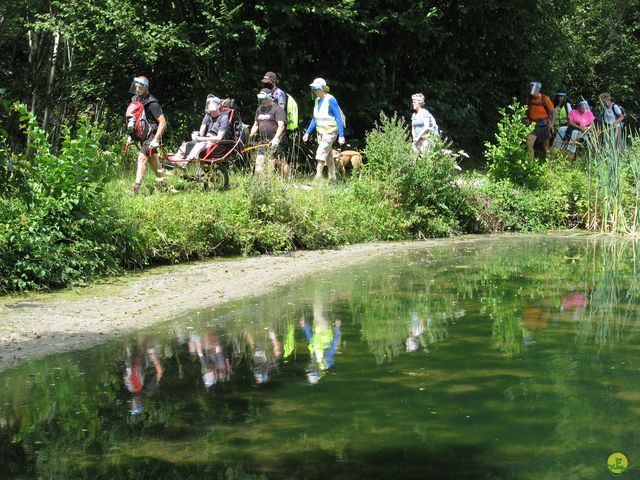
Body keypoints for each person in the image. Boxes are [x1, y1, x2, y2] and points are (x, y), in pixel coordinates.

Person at [127, 76, 167, 194]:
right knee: (153, 161)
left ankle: (135, 188)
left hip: (152, 134)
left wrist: (156, 139)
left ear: (146, 87)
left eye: (140, 86)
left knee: (142, 157)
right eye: (136, 86)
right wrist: (131, 135)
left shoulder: (152, 103)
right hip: (143, 134)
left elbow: (163, 122)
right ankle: (164, 185)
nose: (138, 89)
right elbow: (135, 119)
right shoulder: (135, 99)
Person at [302, 77, 345, 182]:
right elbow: (315, 118)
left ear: (322, 88)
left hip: (330, 132)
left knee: (320, 153)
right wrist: (307, 132)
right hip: (321, 133)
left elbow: (338, 118)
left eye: (316, 89)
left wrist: (341, 135)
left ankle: (317, 178)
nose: (314, 91)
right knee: (328, 156)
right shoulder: (317, 101)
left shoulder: (331, 100)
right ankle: (334, 179)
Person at [171, 95, 229, 162]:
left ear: (218, 106)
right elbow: (201, 132)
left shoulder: (224, 117)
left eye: (212, 103)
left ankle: (185, 163)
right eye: (209, 103)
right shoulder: (208, 116)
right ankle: (173, 162)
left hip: (217, 143)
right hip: (205, 141)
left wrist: (201, 139)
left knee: (200, 145)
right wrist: (195, 135)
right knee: (186, 144)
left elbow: (219, 138)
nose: (210, 105)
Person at [248, 88, 288, 176]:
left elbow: (281, 126)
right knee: (259, 161)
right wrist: (249, 136)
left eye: (264, 98)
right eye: (260, 99)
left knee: (280, 162)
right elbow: (256, 125)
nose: (262, 101)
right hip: (263, 142)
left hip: (275, 142)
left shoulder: (278, 109)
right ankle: (258, 183)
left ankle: (288, 179)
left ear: (270, 97)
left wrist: (275, 139)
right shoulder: (259, 109)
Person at [525, 81, 556, 159]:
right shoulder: (529, 99)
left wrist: (552, 123)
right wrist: (527, 119)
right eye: (531, 89)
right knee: (529, 144)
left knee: (546, 148)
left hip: (544, 125)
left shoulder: (545, 99)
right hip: (532, 125)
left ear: (539, 89)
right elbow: (527, 110)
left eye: (534, 89)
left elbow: (553, 112)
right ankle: (530, 166)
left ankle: (548, 164)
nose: (532, 92)